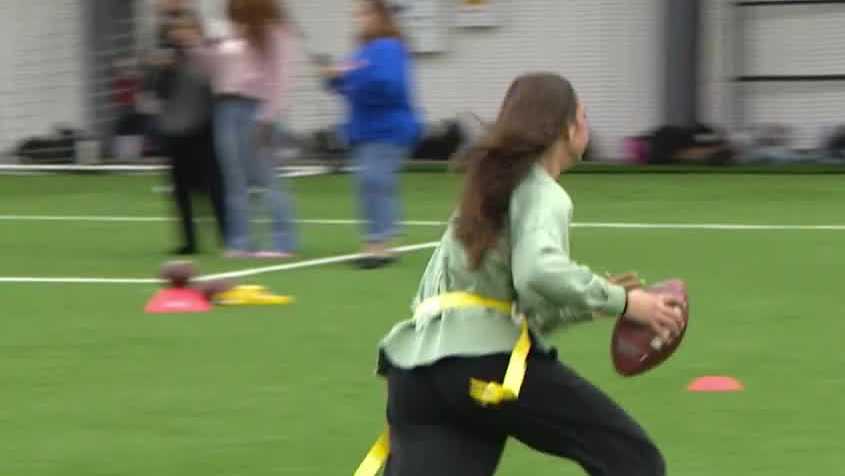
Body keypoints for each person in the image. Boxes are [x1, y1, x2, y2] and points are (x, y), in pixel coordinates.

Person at [357, 73, 685, 476]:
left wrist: (594, 302)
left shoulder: (482, 193)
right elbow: (539, 271)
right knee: (633, 460)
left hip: (415, 375)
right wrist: (627, 302)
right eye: (583, 114)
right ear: (566, 127)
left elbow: (513, 307)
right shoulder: (543, 191)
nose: (587, 124)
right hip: (485, 366)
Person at [181, 0, 298, 258]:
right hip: (225, 107)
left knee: (267, 177)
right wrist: (195, 45)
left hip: (256, 107)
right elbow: (211, 69)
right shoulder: (230, 31)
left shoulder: (273, 30)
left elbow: (282, 77)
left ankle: (283, 243)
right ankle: (240, 241)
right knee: (233, 179)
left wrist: (269, 116)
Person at [321, 0, 422, 269]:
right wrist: (333, 77)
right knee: (375, 184)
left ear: (380, 16)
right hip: (367, 131)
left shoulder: (388, 47)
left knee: (373, 183)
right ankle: (382, 243)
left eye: (364, 13)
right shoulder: (363, 52)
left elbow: (388, 85)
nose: (360, 19)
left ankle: (377, 244)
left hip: (387, 130)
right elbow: (346, 84)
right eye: (358, 14)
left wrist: (350, 78)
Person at [157, 11, 227, 255]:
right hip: (176, 132)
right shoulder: (168, 61)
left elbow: (216, 88)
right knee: (180, 190)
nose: (181, 34)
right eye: (177, 29)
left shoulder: (207, 57)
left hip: (203, 130)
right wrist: (163, 71)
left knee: (212, 186)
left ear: (197, 31)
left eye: (186, 29)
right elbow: (159, 93)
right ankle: (189, 241)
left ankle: (226, 236)